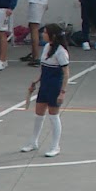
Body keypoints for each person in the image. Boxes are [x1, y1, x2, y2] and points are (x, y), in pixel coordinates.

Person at [21, 23, 69, 157]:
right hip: (45, 85)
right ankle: (33, 142)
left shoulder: (61, 52)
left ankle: (55, 146)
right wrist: (36, 81)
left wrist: (62, 92)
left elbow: (66, 73)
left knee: (54, 116)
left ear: (52, 35)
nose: (43, 34)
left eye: (46, 32)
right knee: (38, 114)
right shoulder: (47, 47)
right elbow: (44, 69)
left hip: (54, 87)